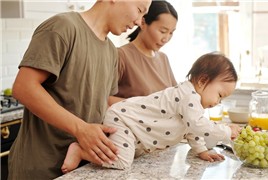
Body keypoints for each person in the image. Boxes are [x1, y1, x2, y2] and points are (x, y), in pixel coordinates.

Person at [8, 0, 152, 179]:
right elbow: (24, 88)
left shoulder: (111, 52)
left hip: (82, 169)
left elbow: (101, 102)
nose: (139, 22)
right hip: (41, 169)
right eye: (139, 10)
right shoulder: (62, 27)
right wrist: (80, 129)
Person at [61, 52, 242, 172]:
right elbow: (198, 125)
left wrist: (201, 151)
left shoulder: (193, 103)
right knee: (122, 162)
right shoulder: (188, 96)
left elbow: (192, 129)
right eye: (219, 95)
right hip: (124, 120)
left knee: (128, 157)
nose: (218, 102)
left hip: (133, 127)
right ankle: (80, 151)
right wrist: (227, 131)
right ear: (202, 81)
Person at [108, 0, 178, 105]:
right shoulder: (121, 56)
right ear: (143, 23)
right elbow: (103, 98)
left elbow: (175, 97)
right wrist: (145, 107)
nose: (166, 38)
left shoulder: (163, 58)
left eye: (171, 33)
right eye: (163, 31)